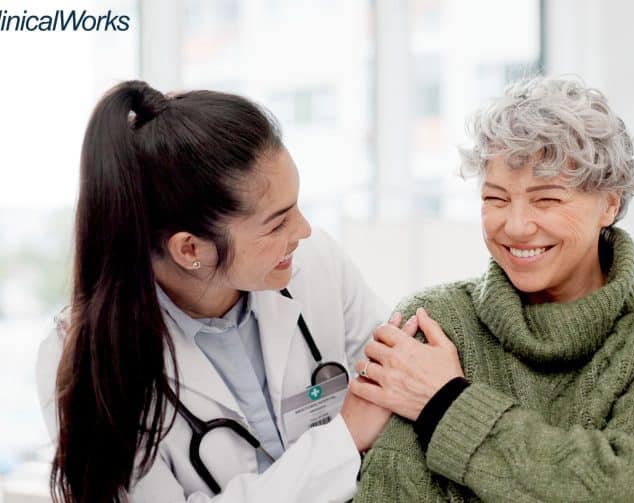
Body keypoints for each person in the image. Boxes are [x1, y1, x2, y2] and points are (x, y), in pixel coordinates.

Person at [350, 76, 634, 502]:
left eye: (546, 200)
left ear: (610, 202)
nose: (514, 226)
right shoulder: (436, 320)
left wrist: (445, 404)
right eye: (495, 199)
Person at [35, 80, 406, 503]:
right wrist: (344, 440)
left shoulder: (316, 264)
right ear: (189, 248)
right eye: (276, 222)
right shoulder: (84, 358)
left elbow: (396, 391)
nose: (302, 231)